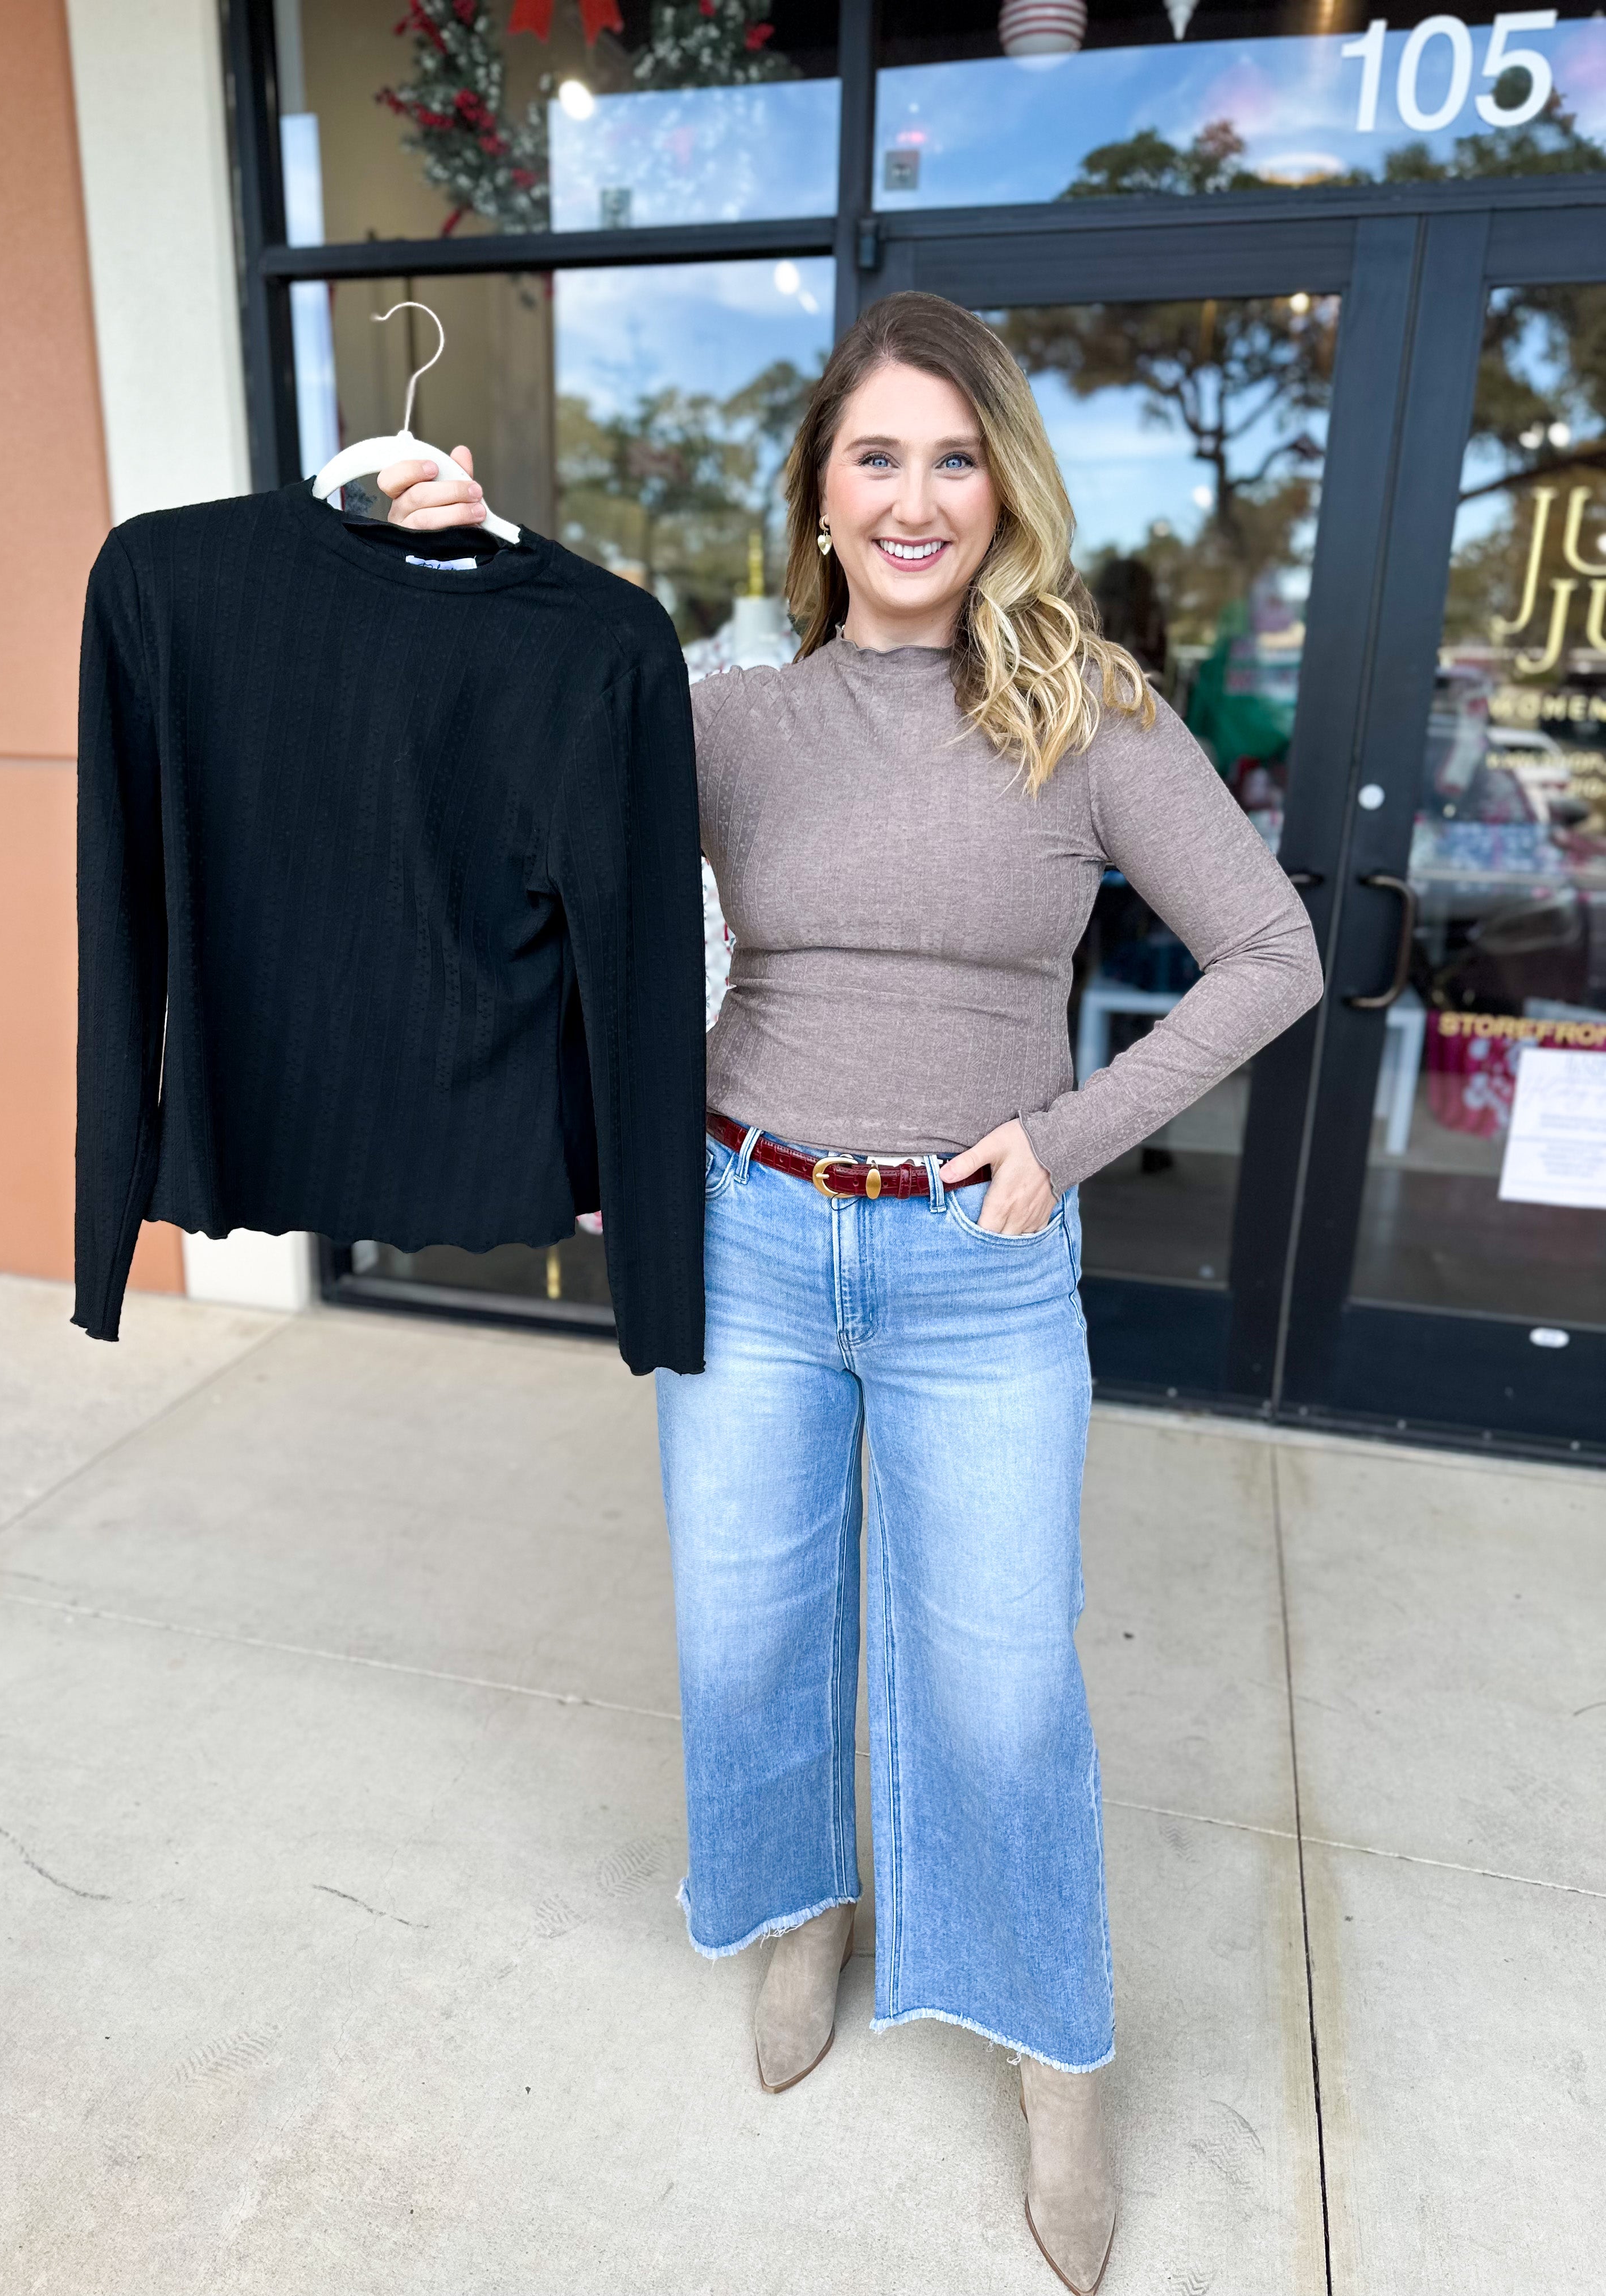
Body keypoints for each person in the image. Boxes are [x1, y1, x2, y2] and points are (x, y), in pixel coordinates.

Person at [382, 292, 1322, 2295]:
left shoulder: (1092, 712)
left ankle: (1056, 2051)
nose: (915, 498)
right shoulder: (729, 720)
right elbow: (531, 752)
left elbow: (1271, 951)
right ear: (818, 495)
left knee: (996, 1685)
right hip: (751, 1233)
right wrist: (478, 564)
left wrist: (1062, 1138)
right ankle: (801, 1905)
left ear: (1005, 491)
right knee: (745, 1637)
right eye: (876, 457)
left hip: (982, 1268)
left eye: (955, 458)